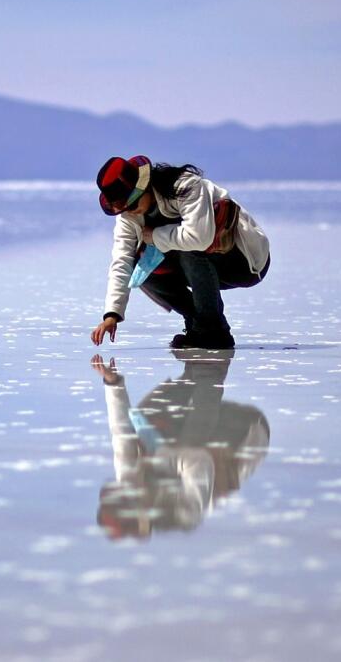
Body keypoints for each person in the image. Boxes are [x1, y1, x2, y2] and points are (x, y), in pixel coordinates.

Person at [90, 155, 270, 349]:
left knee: (189, 249)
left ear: (146, 185)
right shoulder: (128, 216)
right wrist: (112, 315)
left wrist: (155, 236)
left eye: (132, 204)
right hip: (199, 266)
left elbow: (200, 237)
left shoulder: (186, 186)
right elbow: (122, 261)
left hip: (244, 261)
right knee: (139, 267)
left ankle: (211, 330)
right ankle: (197, 323)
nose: (129, 212)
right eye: (122, 208)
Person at [91, 352, 270, 539]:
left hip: (210, 421)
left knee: (143, 418)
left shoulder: (128, 480)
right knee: (190, 445)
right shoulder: (185, 515)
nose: (126, 489)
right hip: (245, 433)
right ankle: (210, 370)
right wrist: (158, 452)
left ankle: (194, 369)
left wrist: (113, 383)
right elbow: (199, 460)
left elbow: (121, 433)